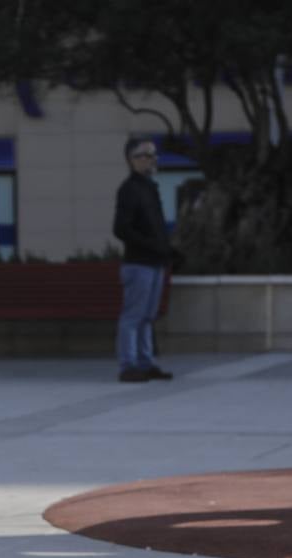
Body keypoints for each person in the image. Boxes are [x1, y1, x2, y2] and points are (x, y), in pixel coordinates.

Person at [113, 138, 175, 383]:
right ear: (132, 160)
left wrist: (167, 250)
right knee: (133, 315)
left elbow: (156, 225)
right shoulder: (129, 189)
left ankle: (145, 362)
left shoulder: (150, 187)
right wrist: (151, 245)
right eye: (146, 155)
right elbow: (121, 228)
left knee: (147, 316)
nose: (152, 159)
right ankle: (128, 365)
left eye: (153, 154)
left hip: (154, 262)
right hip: (139, 263)